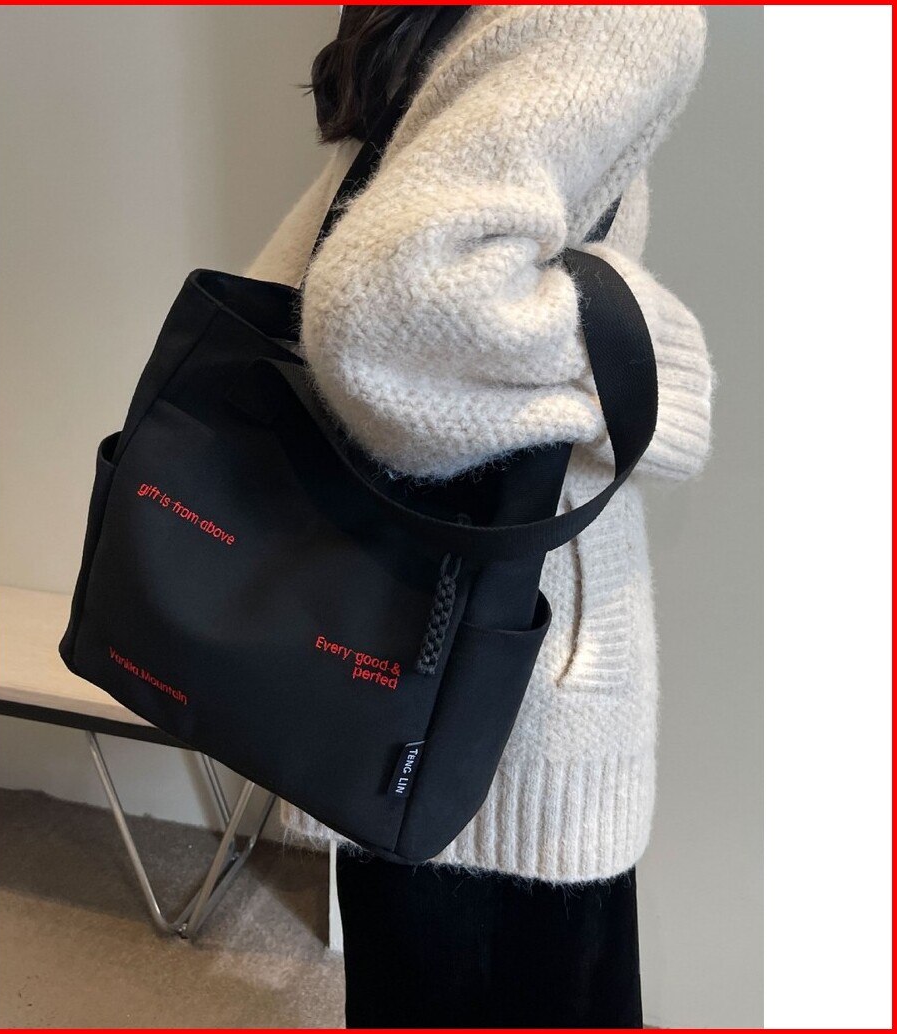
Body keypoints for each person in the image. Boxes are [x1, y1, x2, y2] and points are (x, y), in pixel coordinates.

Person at [244, 6, 715, 1028]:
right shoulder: (618, 16)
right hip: (498, 687)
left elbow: (306, 282)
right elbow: (385, 306)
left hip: (393, 651)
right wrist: (650, 371)